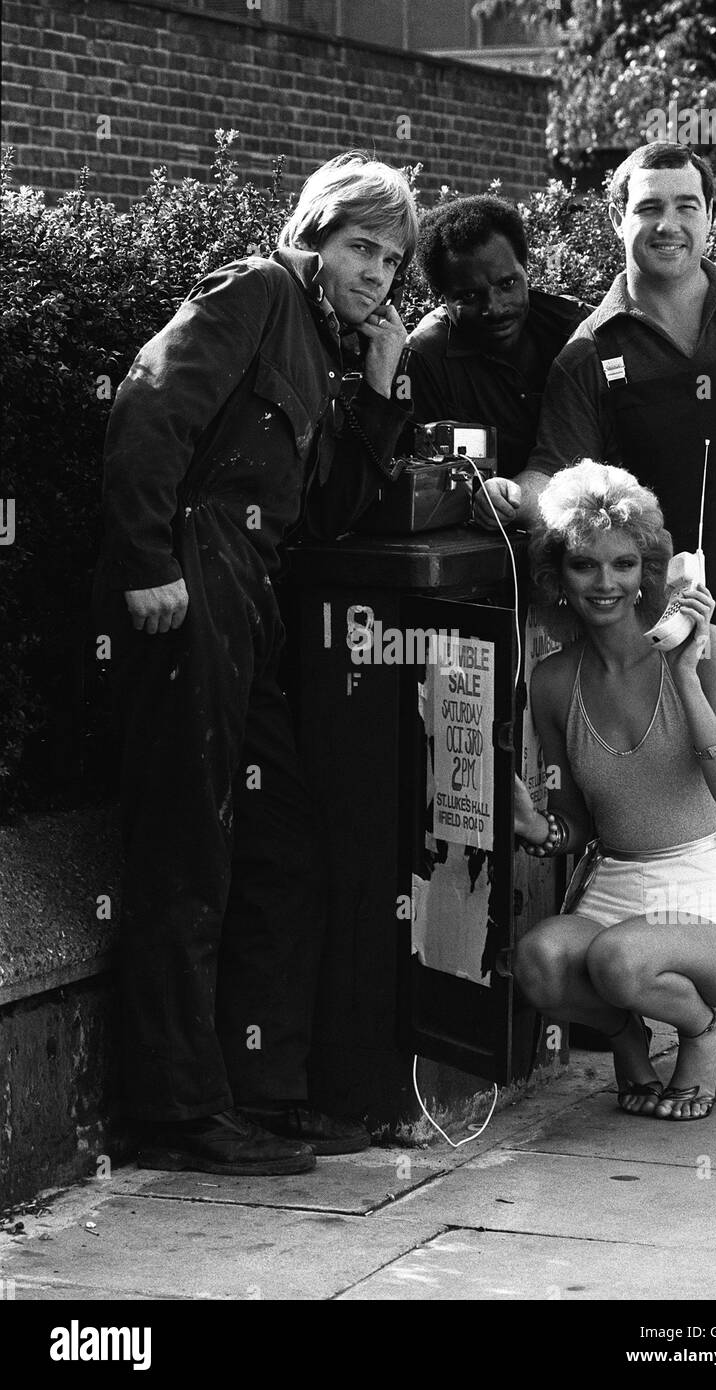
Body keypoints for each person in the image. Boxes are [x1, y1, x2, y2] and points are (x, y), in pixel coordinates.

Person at [93, 154, 418, 1176]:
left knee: (280, 841)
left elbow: (326, 516)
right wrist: (147, 560)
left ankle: (260, 1086)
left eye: (391, 259)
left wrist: (376, 385)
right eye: (359, 246)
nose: (374, 273)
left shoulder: (325, 348)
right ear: (314, 233)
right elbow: (151, 407)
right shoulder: (258, 289)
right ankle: (176, 1111)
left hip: (253, 598)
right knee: (187, 846)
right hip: (193, 576)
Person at [519, 142, 716, 1096]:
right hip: (677, 623)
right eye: (648, 208)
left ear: (711, 214)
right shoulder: (589, 351)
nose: (668, 225)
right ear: (617, 220)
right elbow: (560, 487)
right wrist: (507, 494)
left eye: (686, 205)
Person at [513, 460, 716, 1121]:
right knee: (537, 960)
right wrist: (538, 830)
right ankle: (626, 1039)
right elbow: (573, 825)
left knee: (621, 959)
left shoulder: (710, 653)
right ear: (555, 576)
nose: (604, 583)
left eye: (622, 564)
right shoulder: (552, 681)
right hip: (612, 892)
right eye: (583, 565)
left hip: (700, 902)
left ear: (650, 569)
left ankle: (701, 1034)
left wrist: (682, 674)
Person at [401, 194, 590, 514]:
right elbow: (419, 484)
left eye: (507, 283)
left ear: (526, 270)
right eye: (469, 295)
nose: (495, 308)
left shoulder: (576, 329)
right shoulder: (424, 359)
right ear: (440, 296)